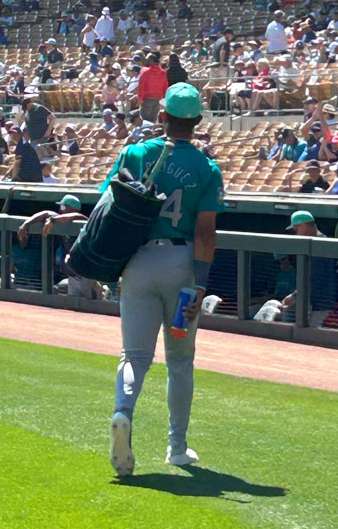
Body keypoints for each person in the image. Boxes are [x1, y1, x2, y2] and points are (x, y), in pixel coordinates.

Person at [103, 82, 224, 476]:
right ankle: (176, 446)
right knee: (180, 361)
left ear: (163, 116)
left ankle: (123, 411)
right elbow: (206, 233)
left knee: (133, 356)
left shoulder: (135, 153)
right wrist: (200, 284)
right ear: (197, 121)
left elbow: (107, 207)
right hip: (182, 268)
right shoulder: (207, 167)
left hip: (138, 263)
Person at [137, 53, 168, 123]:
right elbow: (165, 86)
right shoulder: (163, 72)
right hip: (158, 99)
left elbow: (141, 85)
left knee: (144, 120)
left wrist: (140, 98)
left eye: (147, 59)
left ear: (151, 60)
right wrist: (163, 98)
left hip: (147, 98)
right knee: (153, 120)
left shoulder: (145, 71)